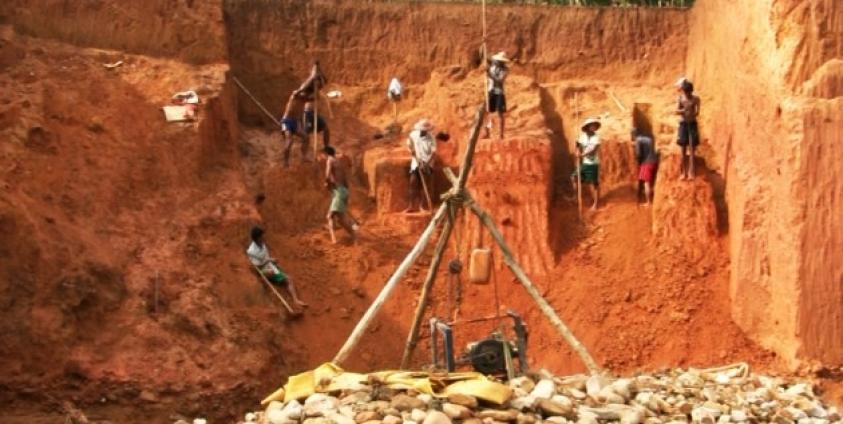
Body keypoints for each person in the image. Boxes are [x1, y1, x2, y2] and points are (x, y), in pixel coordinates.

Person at [246, 226, 307, 307]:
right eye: (261, 236)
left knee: (288, 278)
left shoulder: (262, 244)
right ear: (257, 238)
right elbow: (257, 266)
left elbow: (265, 257)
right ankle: (263, 280)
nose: (263, 238)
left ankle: (296, 300)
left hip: (269, 266)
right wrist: (269, 261)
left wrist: (270, 260)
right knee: (277, 275)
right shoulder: (251, 251)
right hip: (263, 270)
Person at [321, 146, 359, 243]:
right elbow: (344, 180)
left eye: (323, 154)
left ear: (326, 153)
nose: (323, 157)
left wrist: (326, 182)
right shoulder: (339, 162)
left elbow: (327, 173)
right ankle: (354, 230)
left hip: (339, 192)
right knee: (340, 218)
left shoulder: (330, 160)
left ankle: (337, 239)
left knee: (331, 216)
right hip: (343, 191)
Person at [404, 119, 437, 213]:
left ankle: (422, 207)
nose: (424, 131)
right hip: (416, 163)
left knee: (425, 184)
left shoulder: (431, 138)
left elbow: (434, 153)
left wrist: (426, 164)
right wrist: (412, 152)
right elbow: (409, 145)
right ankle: (411, 206)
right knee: (413, 183)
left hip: (427, 163)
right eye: (423, 130)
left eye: (426, 130)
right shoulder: (413, 135)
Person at [571, 117, 602, 211]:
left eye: (594, 126)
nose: (593, 127)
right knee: (574, 177)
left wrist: (582, 154)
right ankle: (576, 197)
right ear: (588, 127)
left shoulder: (596, 138)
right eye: (591, 125)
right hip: (585, 163)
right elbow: (577, 144)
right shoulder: (582, 136)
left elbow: (593, 150)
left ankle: (595, 204)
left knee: (593, 184)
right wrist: (576, 151)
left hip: (593, 164)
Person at [675, 77, 701, 180]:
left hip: (692, 124)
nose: (687, 94)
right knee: (682, 150)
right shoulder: (680, 98)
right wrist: (683, 111)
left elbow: (697, 112)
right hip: (683, 124)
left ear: (691, 91)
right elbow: (676, 110)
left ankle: (692, 173)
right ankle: (683, 173)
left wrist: (693, 113)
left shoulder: (696, 99)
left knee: (692, 149)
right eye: (685, 92)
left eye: (688, 93)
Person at [485, 51, 509, 140]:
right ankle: (487, 132)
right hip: (490, 91)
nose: (499, 63)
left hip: (499, 92)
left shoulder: (505, 70)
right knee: (487, 112)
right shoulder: (492, 66)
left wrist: (490, 75)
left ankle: (501, 134)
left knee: (500, 113)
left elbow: (500, 80)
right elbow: (486, 58)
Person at [632, 128, 658, 206]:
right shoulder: (649, 139)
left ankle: (648, 202)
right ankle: (651, 196)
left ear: (633, 135)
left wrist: (638, 161)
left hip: (646, 162)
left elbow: (639, 154)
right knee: (651, 181)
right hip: (654, 161)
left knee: (646, 182)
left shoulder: (638, 140)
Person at [280, 94, 307, 166]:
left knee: (306, 137)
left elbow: (315, 98)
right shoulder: (294, 97)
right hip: (287, 121)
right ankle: (285, 162)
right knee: (289, 141)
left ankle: (303, 157)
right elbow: (296, 92)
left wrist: (302, 127)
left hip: (295, 123)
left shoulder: (304, 102)